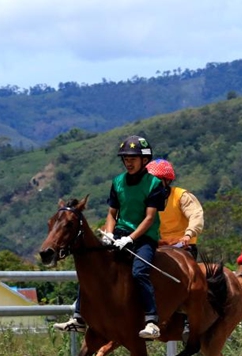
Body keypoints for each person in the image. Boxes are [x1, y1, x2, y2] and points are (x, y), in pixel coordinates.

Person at [54, 135, 166, 339]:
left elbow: (149, 218)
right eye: (125, 158)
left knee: (139, 272)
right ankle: (79, 317)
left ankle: (151, 320)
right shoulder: (117, 182)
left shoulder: (154, 184)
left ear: (144, 160)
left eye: (133, 158)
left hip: (144, 238)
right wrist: (109, 233)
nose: (128, 162)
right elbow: (111, 213)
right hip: (119, 234)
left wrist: (130, 238)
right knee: (93, 267)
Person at [146, 158, 204, 260]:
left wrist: (188, 235)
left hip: (185, 246)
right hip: (162, 247)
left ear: (167, 180)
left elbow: (196, 216)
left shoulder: (181, 196)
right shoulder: (148, 202)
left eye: (157, 180)